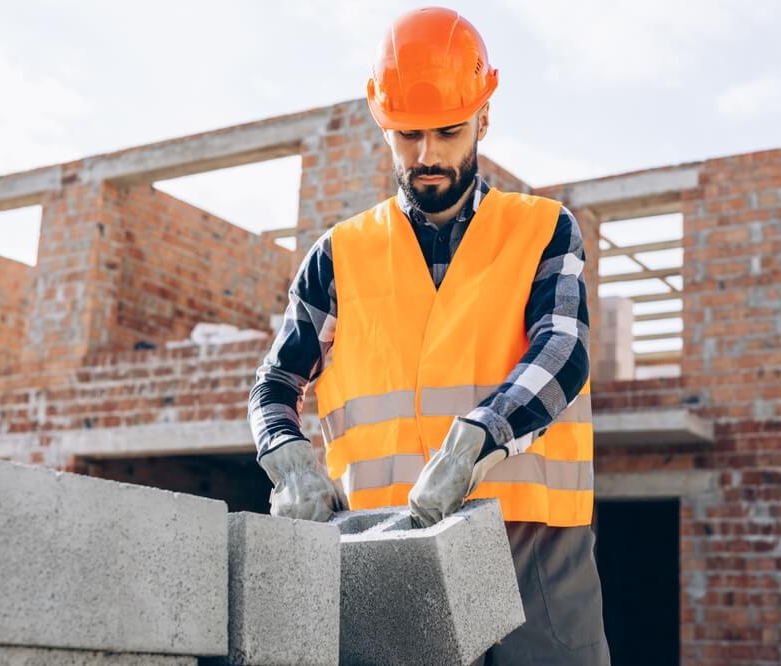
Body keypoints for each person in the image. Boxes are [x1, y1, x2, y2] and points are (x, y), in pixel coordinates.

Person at [247, 7, 610, 664]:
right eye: (408, 135)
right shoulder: (339, 255)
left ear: (484, 118)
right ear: (383, 124)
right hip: (388, 561)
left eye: (448, 131)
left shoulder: (544, 229)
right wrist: (287, 455)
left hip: (537, 559)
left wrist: (479, 438)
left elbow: (564, 350)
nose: (428, 155)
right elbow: (276, 382)